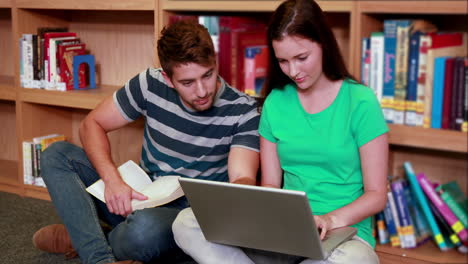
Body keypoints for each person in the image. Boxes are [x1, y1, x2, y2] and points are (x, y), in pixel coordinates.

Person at [172, 0, 389, 263]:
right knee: (186, 223)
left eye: (301, 58)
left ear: (323, 43)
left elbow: (377, 195)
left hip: (345, 233)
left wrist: (330, 220)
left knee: (351, 260)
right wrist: (268, 226)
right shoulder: (275, 102)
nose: (293, 71)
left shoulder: (360, 101)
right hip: (287, 231)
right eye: (283, 61)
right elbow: (272, 185)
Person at [32, 20, 260, 264]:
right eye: (187, 83)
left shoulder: (242, 109)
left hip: (187, 218)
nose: (203, 90)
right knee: (56, 155)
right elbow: (91, 125)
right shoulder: (149, 84)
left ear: (215, 62)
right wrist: (112, 181)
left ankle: (87, 239)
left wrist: (246, 190)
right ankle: (100, 256)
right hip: (141, 196)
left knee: (143, 231)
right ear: (168, 78)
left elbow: (241, 177)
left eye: (208, 75)